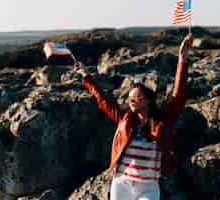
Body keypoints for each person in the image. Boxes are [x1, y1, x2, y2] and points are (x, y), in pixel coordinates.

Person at [75, 34, 193, 200]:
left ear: (148, 100)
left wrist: (182, 59)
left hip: (149, 187)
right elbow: (103, 101)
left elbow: (178, 95)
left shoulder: (162, 120)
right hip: (122, 184)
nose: (131, 102)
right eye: (129, 99)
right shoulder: (125, 119)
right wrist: (87, 77)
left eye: (136, 98)